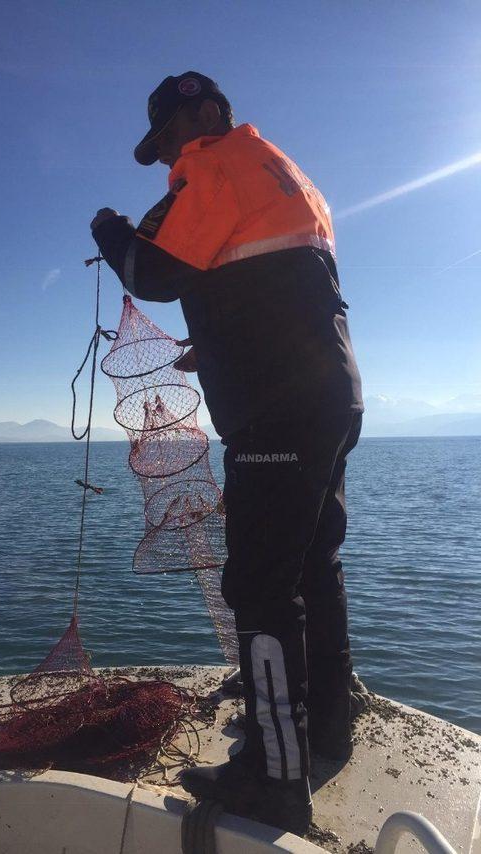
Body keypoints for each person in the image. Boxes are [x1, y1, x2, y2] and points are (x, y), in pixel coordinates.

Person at [90, 71, 363, 836]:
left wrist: (110, 228)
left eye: (171, 136)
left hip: (275, 416)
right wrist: (210, 349)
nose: (170, 155)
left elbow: (154, 270)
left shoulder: (213, 162)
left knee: (260, 588)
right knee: (314, 568)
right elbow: (272, 283)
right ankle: (324, 735)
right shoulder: (281, 172)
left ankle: (273, 780)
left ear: (204, 112)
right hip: (330, 398)